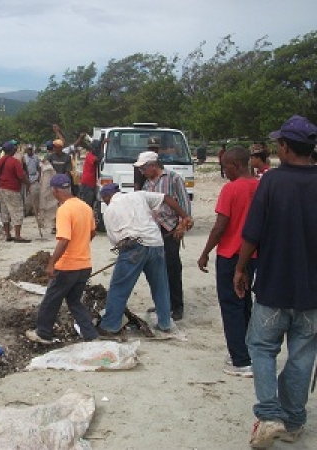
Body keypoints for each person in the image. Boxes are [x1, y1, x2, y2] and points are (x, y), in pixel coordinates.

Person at [233, 115, 317, 448]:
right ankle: (294, 421)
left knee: (262, 349)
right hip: (312, 294)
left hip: (273, 286)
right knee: (302, 355)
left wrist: (240, 268)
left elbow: (252, 233)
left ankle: (269, 416)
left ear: (284, 146)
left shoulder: (272, 181)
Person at [97, 183, 193, 338]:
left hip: (133, 247)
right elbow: (166, 198)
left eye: (104, 199)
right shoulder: (138, 195)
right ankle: (165, 323)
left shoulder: (110, 211)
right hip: (156, 243)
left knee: (119, 287)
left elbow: (115, 241)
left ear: (106, 197)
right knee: (160, 285)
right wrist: (185, 216)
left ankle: (110, 326)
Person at [197, 146, 258, 378]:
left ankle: (240, 360)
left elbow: (220, 226)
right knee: (245, 303)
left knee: (231, 306)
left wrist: (205, 252)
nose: (224, 171)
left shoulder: (231, 189)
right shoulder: (260, 186)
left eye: (225, 167)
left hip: (231, 255)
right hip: (252, 255)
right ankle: (248, 350)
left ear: (236, 165)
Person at [25, 174, 99, 344]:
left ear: (55, 190)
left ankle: (43, 333)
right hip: (84, 264)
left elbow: (64, 239)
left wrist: (52, 263)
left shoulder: (64, 209)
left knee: (51, 300)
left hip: (67, 266)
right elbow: (92, 232)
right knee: (74, 302)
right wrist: (81, 245)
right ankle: (91, 334)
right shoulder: (85, 207)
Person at [136, 151, 191, 321]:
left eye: (144, 168)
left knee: (172, 268)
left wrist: (182, 225)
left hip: (171, 228)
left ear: (152, 165)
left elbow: (184, 204)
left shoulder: (173, 178)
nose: (142, 172)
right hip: (154, 230)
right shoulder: (147, 184)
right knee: (157, 268)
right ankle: (163, 303)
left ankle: (177, 306)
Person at [0, 141, 31, 243]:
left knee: (4, 212)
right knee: (17, 211)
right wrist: (28, 184)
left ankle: (7, 234)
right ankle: (17, 236)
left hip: (1, 189)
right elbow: (21, 176)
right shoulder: (14, 162)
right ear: (11, 150)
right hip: (12, 189)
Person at [78, 139, 101, 208]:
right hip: (87, 184)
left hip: (91, 183)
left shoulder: (92, 155)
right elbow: (98, 159)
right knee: (87, 203)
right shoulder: (90, 155)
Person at [22, 144, 41, 217]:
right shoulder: (24, 157)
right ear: (26, 150)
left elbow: (38, 167)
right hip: (26, 177)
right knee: (26, 195)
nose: (29, 151)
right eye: (28, 149)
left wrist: (39, 177)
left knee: (35, 194)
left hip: (34, 177)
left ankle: (34, 210)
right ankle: (26, 211)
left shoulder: (36, 157)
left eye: (30, 149)